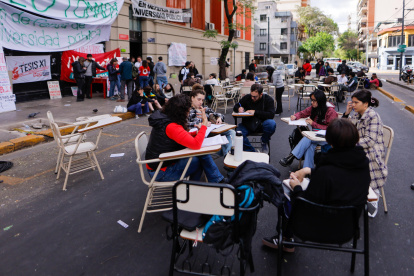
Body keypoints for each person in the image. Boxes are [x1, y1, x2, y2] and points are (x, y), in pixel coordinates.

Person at [263, 118, 371, 251]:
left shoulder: (325, 170)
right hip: (348, 228)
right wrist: (310, 170)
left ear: (330, 141)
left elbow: (306, 203)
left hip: (315, 228)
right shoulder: (362, 164)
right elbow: (339, 175)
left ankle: (286, 239)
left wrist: (296, 186)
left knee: (285, 192)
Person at [145, 94, 226, 183]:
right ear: (181, 111)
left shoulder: (165, 119)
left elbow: (181, 136)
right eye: (188, 110)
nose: (188, 113)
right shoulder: (171, 126)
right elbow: (196, 145)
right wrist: (204, 125)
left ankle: (197, 185)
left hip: (159, 166)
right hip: (160, 172)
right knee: (199, 157)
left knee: (199, 156)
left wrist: (195, 133)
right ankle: (213, 181)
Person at [342, 90, 387, 192]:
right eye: (352, 102)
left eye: (356, 102)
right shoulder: (356, 115)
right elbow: (345, 130)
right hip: (358, 151)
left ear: (366, 104)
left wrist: (348, 144)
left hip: (371, 155)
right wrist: (346, 113)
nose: (353, 105)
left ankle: (371, 201)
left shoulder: (373, 116)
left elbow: (369, 141)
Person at [279, 90, 337, 168]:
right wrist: (296, 116)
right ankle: (308, 172)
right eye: (311, 100)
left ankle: (292, 156)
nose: (311, 102)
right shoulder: (314, 108)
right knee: (310, 145)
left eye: (314, 100)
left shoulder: (330, 111)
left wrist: (313, 124)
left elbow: (331, 128)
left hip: (328, 138)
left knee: (308, 138)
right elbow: (303, 113)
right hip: (315, 136)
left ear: (320, 101)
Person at [188, 87, 235, 156]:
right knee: (228, 139)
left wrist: (219, 118)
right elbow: (186, 124)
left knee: (231, 132)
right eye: (199, 99)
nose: (201, 102)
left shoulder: (204, 108)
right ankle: (228, 155)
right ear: (192, 98)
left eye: (202, 100)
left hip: (211, 131)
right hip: (199, 135)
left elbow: (218, 114)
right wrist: (202, 124)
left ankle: (228, 155)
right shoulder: (189, 110)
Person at [233, 83, 276, 154]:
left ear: (261, 94)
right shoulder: (247, 97)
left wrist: (255, 112)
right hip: (247, 124)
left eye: (255, 97)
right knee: (238, 134)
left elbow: (271, 115)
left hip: (261, 124)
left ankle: (264, 141)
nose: (252, 98)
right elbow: (237, 105)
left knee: (271, 124)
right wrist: (239, 108)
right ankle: (253, 153)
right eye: (251, 96)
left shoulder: (268, 100)